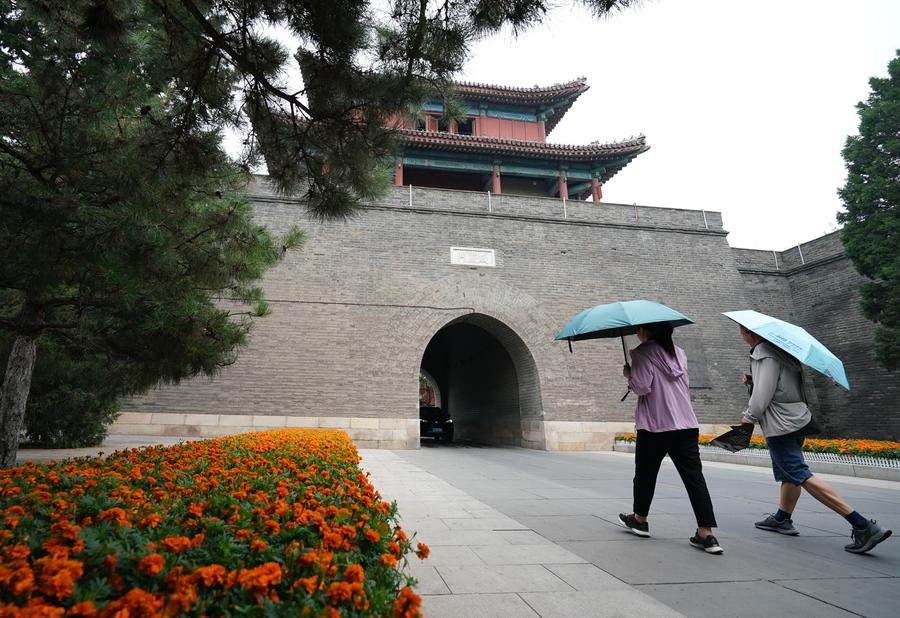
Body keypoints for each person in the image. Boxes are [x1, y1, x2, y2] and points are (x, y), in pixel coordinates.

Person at [737, 325, 892, 554]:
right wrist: (755, 381)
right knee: (789, 474)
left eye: (742, 331)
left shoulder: (764, 354)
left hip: (781, 424)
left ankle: (862, 525)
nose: (741, 335)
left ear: (750, 333)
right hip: (797, 419)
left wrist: (748, 416)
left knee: (798, 473)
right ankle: (782, 518)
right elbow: (783, 388)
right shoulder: (784, 352)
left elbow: (764, 395)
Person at [618, 321, 723, 554]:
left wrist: (630, 375)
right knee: (695, 479)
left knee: (645, 474)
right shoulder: (680, 353)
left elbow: (643, 387)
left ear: (647, 331)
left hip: (656, 425)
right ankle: (706, 533)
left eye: (639, 328)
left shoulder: (643, 352)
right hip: (686, 423)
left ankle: (640, 519)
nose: (637, 332)